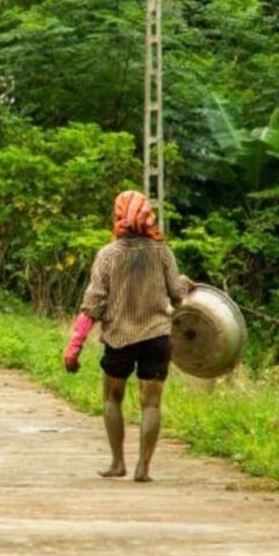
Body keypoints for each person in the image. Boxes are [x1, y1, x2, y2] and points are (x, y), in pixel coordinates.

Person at [63, 191, 194, 483]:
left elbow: (92, 304)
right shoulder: (162, 252)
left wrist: (75, 345)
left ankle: (117, 462)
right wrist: (185, 282)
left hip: (119, 339)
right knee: (152, 404)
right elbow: (177, 293)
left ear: (119, 215)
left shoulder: (108, 255)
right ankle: (143, 468)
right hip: (156, 337)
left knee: (112, 398)